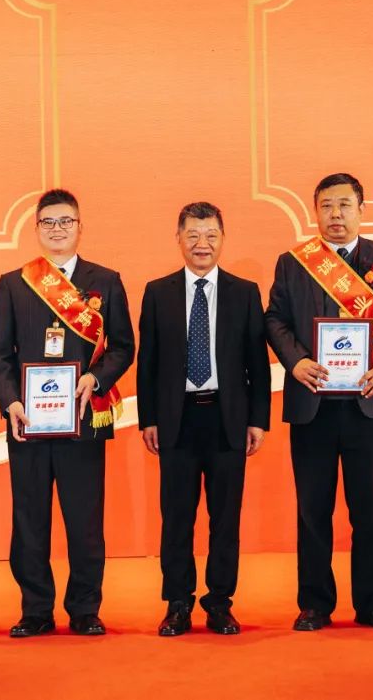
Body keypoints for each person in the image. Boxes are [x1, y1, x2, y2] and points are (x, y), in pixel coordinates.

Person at [265, 172, 373, 631]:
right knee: (313, 509)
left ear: (361, 210)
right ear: (316, 212)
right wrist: (295, 361)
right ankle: (315, 603)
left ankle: (371, 602)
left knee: (369, 509)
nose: (336, 214)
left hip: (367, 403)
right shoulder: (293, 263)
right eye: (327, 206)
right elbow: (274, 319)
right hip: (312, 402)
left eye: (344, 205)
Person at [0, 188, 135, 637]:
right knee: (29, 520)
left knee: (85, 521)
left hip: (83, 420)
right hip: (27, 423)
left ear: (79, 227)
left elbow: (123, 347)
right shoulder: (13, 283)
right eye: (48, 222)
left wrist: (96, 378)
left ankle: (85, 609)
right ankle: (35, 610)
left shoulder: (105, 280)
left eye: (65, 221)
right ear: (36, 229)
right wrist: (12, 402)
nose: (57, 229)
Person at [137, 201, 272, 637]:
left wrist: (258, 420)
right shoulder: (157, 293)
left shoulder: (244, 292)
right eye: (193, 235)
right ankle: (178, 603)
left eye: (211, 235)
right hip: (176, 421)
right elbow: (147, 363)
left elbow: (257, 363)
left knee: (225, 519)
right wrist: (148, 418)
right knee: (176, 518)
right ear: (178, 239)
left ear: (223, 239)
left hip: (227, 419)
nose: (202, 244)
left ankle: (219, 603)